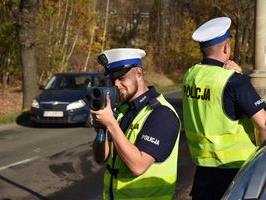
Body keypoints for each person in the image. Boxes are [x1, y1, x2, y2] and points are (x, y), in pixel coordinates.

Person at [182, 17, 266, 200]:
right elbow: (264, 124)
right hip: (237, 175)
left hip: (203, 174)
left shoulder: (190, 76)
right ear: (227, 47)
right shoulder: (233, 81)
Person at [91, 48, 181, 200]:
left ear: (138, 73)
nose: (117, 84)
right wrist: (102, 128)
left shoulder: (161, 113)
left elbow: (138, 166)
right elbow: (101, 158)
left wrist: (111, 124)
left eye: (121, 77)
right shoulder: (122, 110)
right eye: (112, 79)